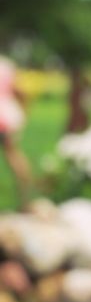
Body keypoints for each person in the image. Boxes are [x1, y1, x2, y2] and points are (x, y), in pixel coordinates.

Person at [0, 57, 32, 209]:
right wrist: (24, 112)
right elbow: (21, 91)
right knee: (14, 155)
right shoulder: (5, 64)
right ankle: (25, 197)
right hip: (7, 116)